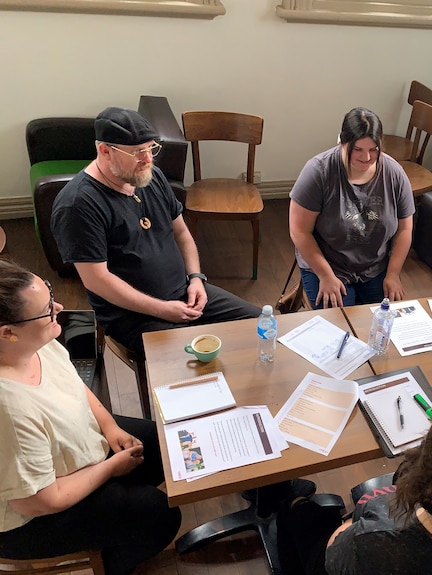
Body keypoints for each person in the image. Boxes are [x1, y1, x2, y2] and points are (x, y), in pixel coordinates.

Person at [0, 259, 181, 575]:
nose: (59, 307)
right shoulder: (10, 411)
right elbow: (42, 501)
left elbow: (73, 385)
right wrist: (110, 468)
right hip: (32, 518)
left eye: (51, 294)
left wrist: (110, 427)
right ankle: (111, 565)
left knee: (165, 446)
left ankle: (117, 523)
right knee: (162, 515)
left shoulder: (35, 342)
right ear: (8, 333)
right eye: (46, 309)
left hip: (71, 457)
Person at [51, 107, 260, 354]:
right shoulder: (77, 204)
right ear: (105, 151)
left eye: (151, 148)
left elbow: (182, 234)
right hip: (132, 315)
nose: (148, 159)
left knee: (259, 324)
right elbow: (98, 280)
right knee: (193, 365)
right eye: (137, 152)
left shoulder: (151, 176)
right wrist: (163, 309)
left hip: (184, 292)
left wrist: (196, 278)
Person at [276, 421, 432, 575]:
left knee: (300, 516)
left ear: (416, 482)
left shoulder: (375, 538)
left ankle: (292, 505)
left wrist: (352, 525)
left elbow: (333, 556)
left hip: (343, 554)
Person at [289, 107, 414, 309]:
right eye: (358, 150)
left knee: (383, 323)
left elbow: (405, 228)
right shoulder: (318, 171)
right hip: (329, 265)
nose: (366, 157)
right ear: (343, 142)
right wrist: (325, 275)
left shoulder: (393, 173)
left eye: (374, 150)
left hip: (374, 266)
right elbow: (299, 231)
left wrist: (393, 274)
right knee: (337, 327)